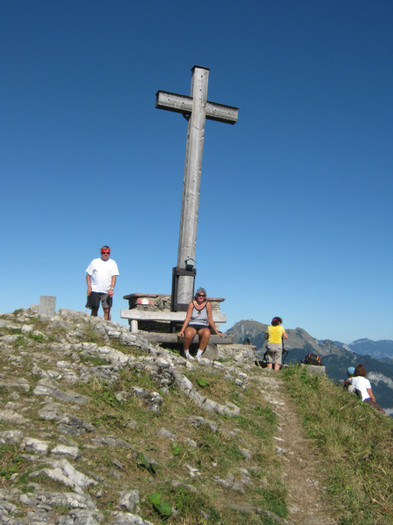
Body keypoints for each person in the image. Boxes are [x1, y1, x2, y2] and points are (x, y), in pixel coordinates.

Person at [177, 288, 223, 359]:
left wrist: (216, 331)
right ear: (196, 296)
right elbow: (188, 318)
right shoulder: (192, 304)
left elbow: (210, 319)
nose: (201, 297)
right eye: (199, 295)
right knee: (188, 334)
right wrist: (182, 331)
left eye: (203, 296)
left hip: (203, 325)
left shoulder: (208, 304)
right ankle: (186, 353)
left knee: (207, 333)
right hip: (192, 324)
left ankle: (198, 354)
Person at [86, 245, 119, 321]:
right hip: (95, 290)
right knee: (94, 309)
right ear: (101, 253)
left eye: (108, 253)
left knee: (107, 310)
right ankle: (93, 327)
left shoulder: (112, 263)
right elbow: (88, 275)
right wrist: (89, 287)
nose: (106, 254)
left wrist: (112, 289)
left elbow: (114, 277)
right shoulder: (95, 262)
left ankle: (108, 327)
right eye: (104, 253)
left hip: (106, 291)